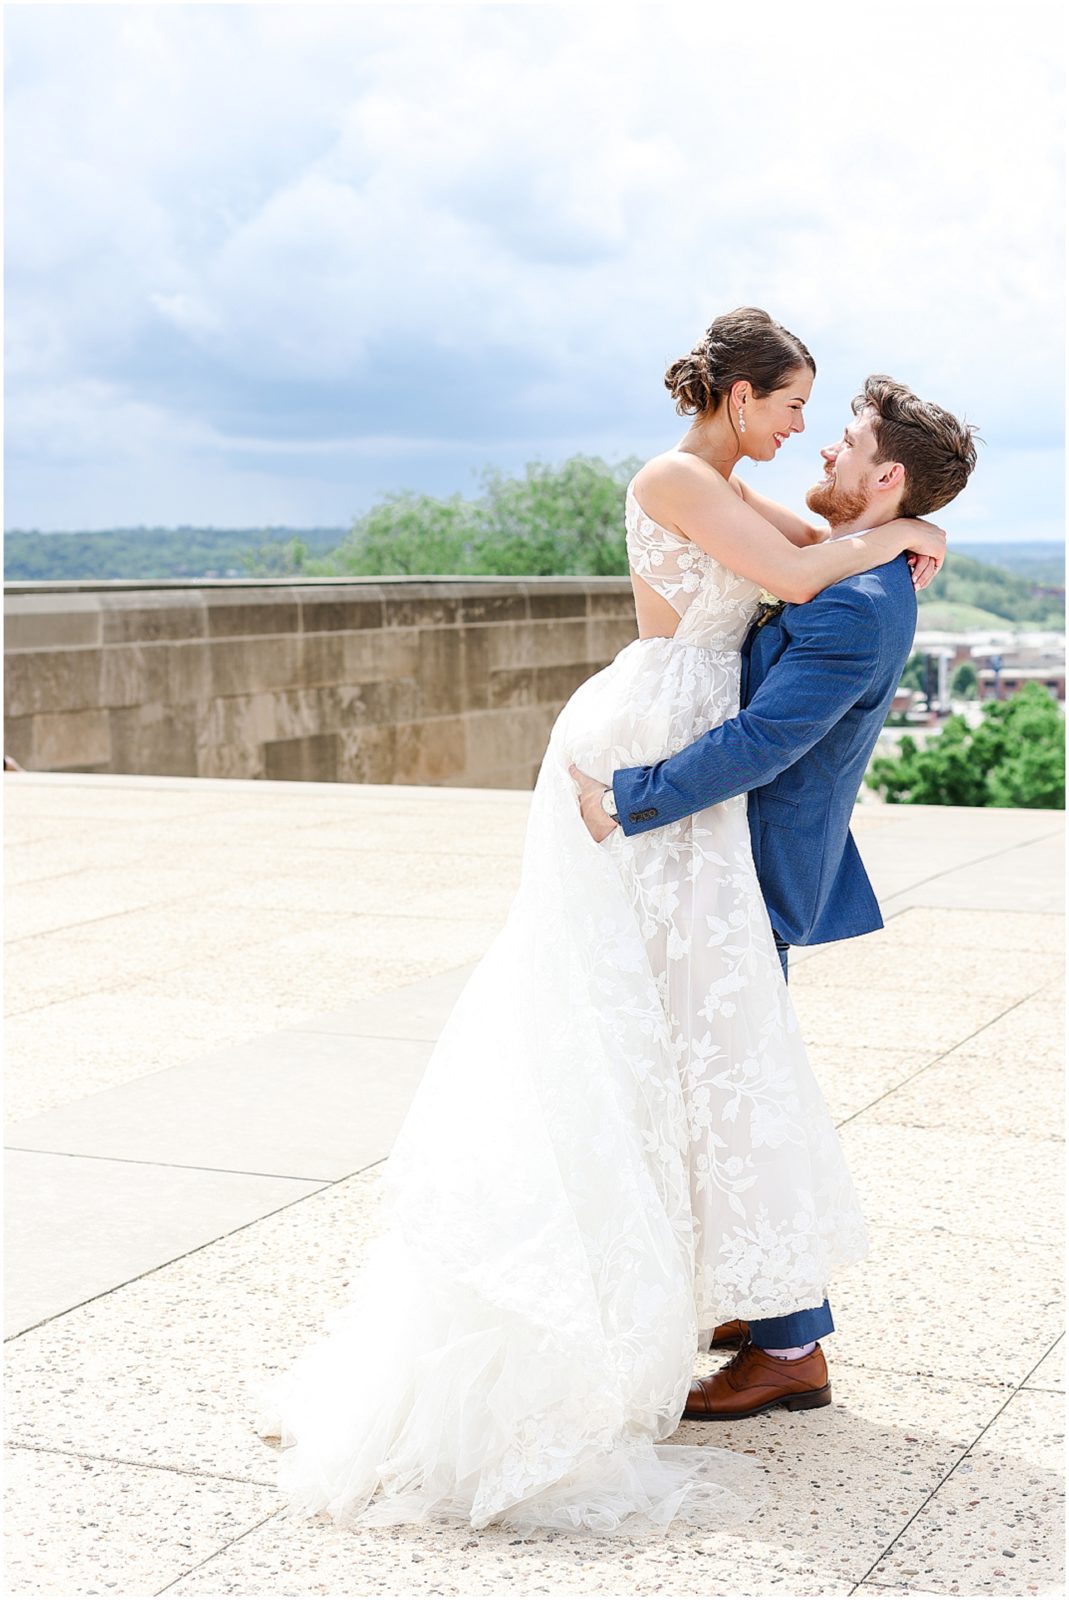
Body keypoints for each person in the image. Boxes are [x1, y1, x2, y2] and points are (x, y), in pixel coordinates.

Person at [251, 308, 955, 1536]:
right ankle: (757, 1312)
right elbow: (794, 573)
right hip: (650, 749)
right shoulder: (678, 476)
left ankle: (760, 1313)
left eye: (824, 426)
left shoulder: (743, 493)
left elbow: (803, 567)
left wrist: (910, 525)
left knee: (686, 1040)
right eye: (792, 407)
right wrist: (902, 526)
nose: (802, 436)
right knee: (656, 1031)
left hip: (683, 772)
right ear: (739, 398)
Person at [571, 364, 978, 1423]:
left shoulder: (853, 603)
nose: (819, 450)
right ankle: (756, 1300)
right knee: (707, 1081)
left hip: (741, 868)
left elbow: (762, 741)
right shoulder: (855, 565)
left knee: (734, 1091)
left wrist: (630, 795)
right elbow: (780, 551)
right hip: (718, 860)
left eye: (839, 441)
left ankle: (793, 1342)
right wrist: (909, 532)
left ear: (882, 474)